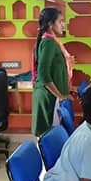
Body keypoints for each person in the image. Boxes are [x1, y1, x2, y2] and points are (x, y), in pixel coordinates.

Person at [31, 7, 74, 137]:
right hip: (49, 97)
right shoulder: (49, 42)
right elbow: (43, 74)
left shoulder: (50, 41)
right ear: (50, 24)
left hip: (50, 96)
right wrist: (60, 96)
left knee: (50, 137)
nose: (63, 25)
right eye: (60, 21)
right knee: (47, 139)